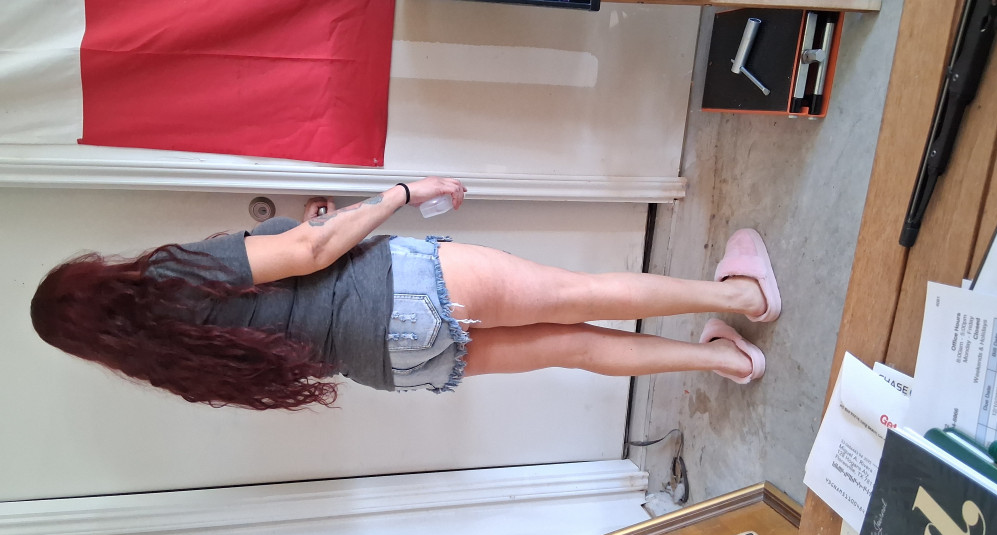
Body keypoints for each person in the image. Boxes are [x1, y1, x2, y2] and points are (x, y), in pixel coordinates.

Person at [30, 177, 780, 410]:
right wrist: (403, 193)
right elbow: (311, 253)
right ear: (96, 277)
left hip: (390, 361)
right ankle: (744, 298)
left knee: (574, 347)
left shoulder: (176, 364)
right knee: (576, 293)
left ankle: (729, 363)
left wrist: (318, 232)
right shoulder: (169, 275)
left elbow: (294, 300)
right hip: (402, 289)